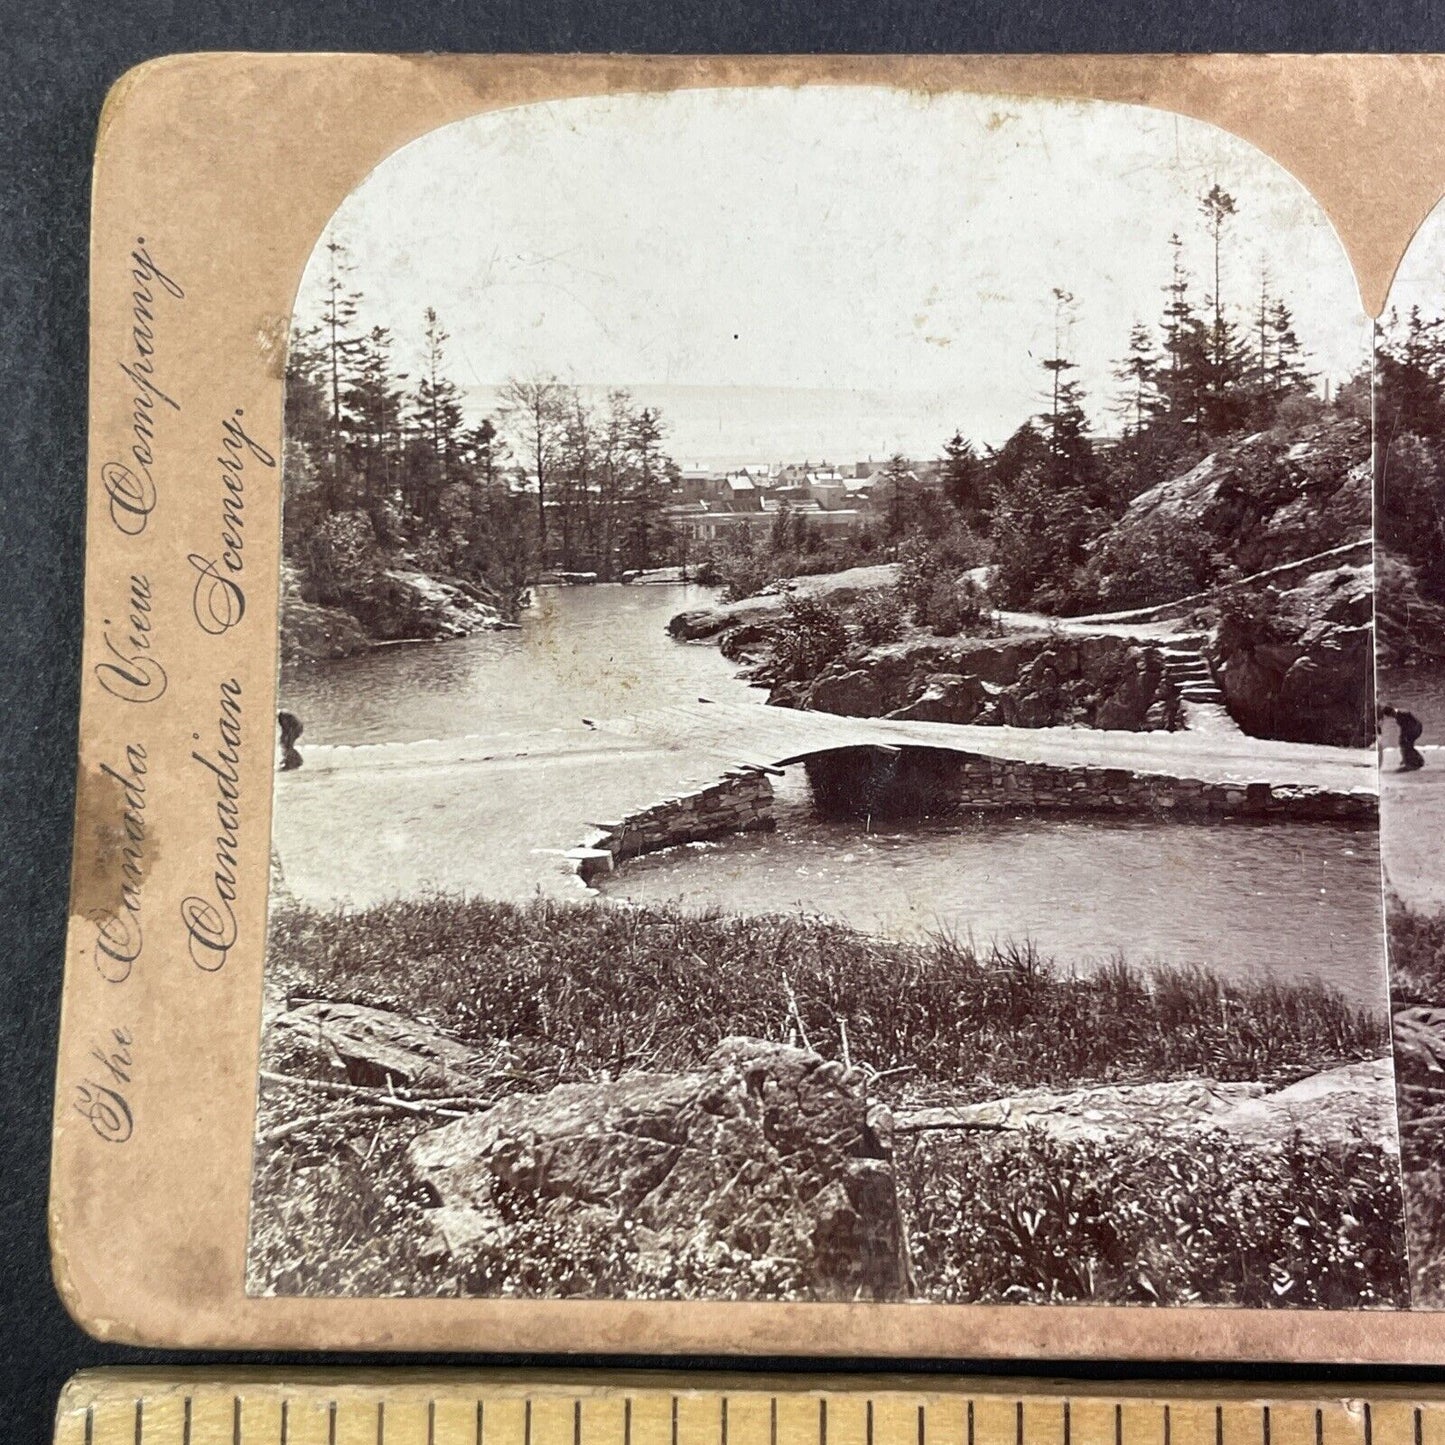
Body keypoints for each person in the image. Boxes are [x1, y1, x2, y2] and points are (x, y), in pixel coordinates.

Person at [1380, 704, 1426, 772]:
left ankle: (1412, 762)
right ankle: (1414, 761)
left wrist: (1404, 737)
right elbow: (1404, 727)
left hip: (1414, 728)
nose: (1391, 716)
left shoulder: (1401, 715)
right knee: (1406, 744)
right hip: (1415, 727)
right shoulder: (1400, 713)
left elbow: (1407, 726)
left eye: (1390, 715)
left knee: (1405, 744)